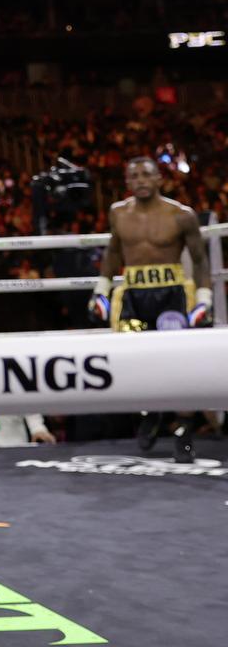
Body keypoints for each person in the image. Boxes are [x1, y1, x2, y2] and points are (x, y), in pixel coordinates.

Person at [87, 155, 215, 463]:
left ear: (159, 179)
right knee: (133, 359)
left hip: (172, 294)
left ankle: (184, 430)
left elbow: (199, 260)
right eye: (135, 176)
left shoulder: (182, 215)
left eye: (147, 174)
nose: (141, 180)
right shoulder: (118, 212)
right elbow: (113, 251)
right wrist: (101, 290)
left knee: (179, 363)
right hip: (132, 295)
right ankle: (151, 411)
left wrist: (204, 300)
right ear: (128, 182)